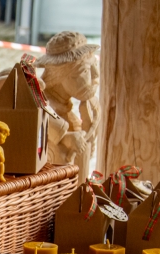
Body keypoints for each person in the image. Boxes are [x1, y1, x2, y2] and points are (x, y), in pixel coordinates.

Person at [37, 32, 100, 178]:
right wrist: (64, 137)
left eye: (94, 65)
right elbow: (38, 119)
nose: (96, 75)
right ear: (59, 75)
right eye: (85, 70)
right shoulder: (42, 106)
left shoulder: (67, 110)